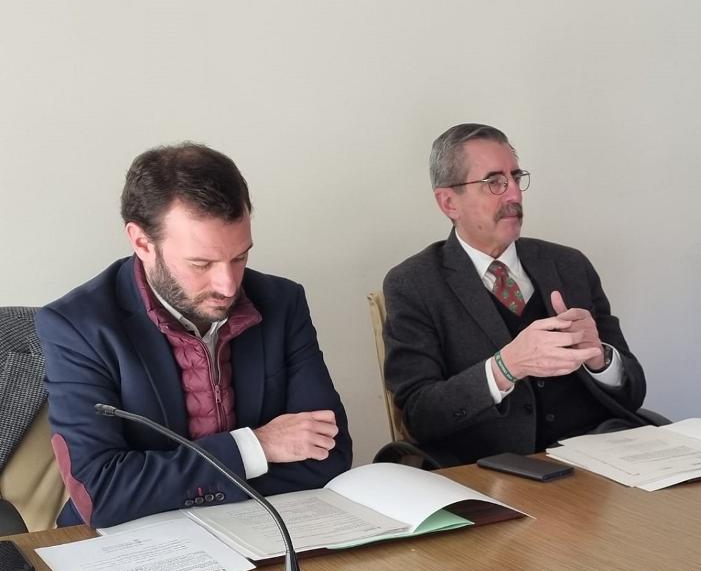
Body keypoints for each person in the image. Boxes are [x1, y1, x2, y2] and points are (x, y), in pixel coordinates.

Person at [37, 143, 351, 528]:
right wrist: (257, 447)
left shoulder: (282, 302)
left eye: (240, 257)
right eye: (201, 263)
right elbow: (100, 493)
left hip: (269, 530)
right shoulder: (78, 327)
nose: (228, 284)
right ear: (141, 243)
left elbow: (328, 456)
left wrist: (158, 485)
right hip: (129, 550)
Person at [383, 123, 647, 466]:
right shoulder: (414, 285)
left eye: (516, 177)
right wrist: (505, 368)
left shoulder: (569, 265)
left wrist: (601, 359)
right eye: (494, 182)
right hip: (496, 470)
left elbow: (633, 393)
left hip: (602, 458)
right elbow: (421, 416)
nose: (514, 195)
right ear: (449, 202)